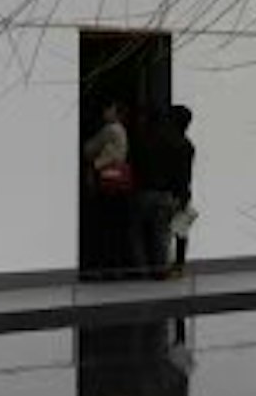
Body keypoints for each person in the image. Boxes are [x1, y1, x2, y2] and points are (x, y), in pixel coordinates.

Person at [140, 101, 197, 279]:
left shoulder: (154, 139)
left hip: (149, 191)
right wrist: (183, 196)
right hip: (173, 194)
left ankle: (146, 269)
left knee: (146, 233)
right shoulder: (186, 145)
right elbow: (184, 175)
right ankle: (173, 268)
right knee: (176, 231)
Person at [83, 100, 138, 278]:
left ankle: (105, 267)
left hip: (108, 180)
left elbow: (89, 149)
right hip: (119, 183)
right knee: (117, 227)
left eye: (109, 109)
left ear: (116, 112)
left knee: (104, 226)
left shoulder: (110, 129)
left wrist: (95, 165)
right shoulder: (122, 129)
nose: (105, 112)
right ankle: (118, 267)